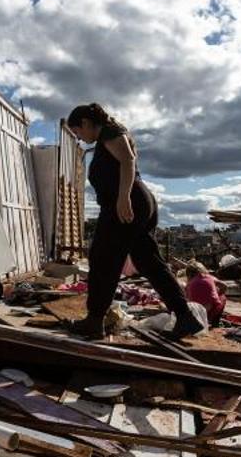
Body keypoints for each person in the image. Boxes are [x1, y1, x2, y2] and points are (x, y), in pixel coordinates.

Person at [65, 103, 205, 339]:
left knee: (102, 259)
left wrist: (122, 198)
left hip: (124, 207)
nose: (79, 137)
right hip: (136, 204)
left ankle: (94, 321)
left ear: (87, 123)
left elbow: (128, 161)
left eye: (78, 131)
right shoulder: (110, 135)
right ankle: (185, 317)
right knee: (149, 261)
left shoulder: (110, 131)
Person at [185, 261, 227, 326]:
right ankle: (215, 323)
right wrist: (217, 293)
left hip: (195, 315)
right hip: (210, 314)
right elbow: (224, 286)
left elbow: (188, 299)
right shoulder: (210, 277)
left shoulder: (189, 284)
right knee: (223, 297)